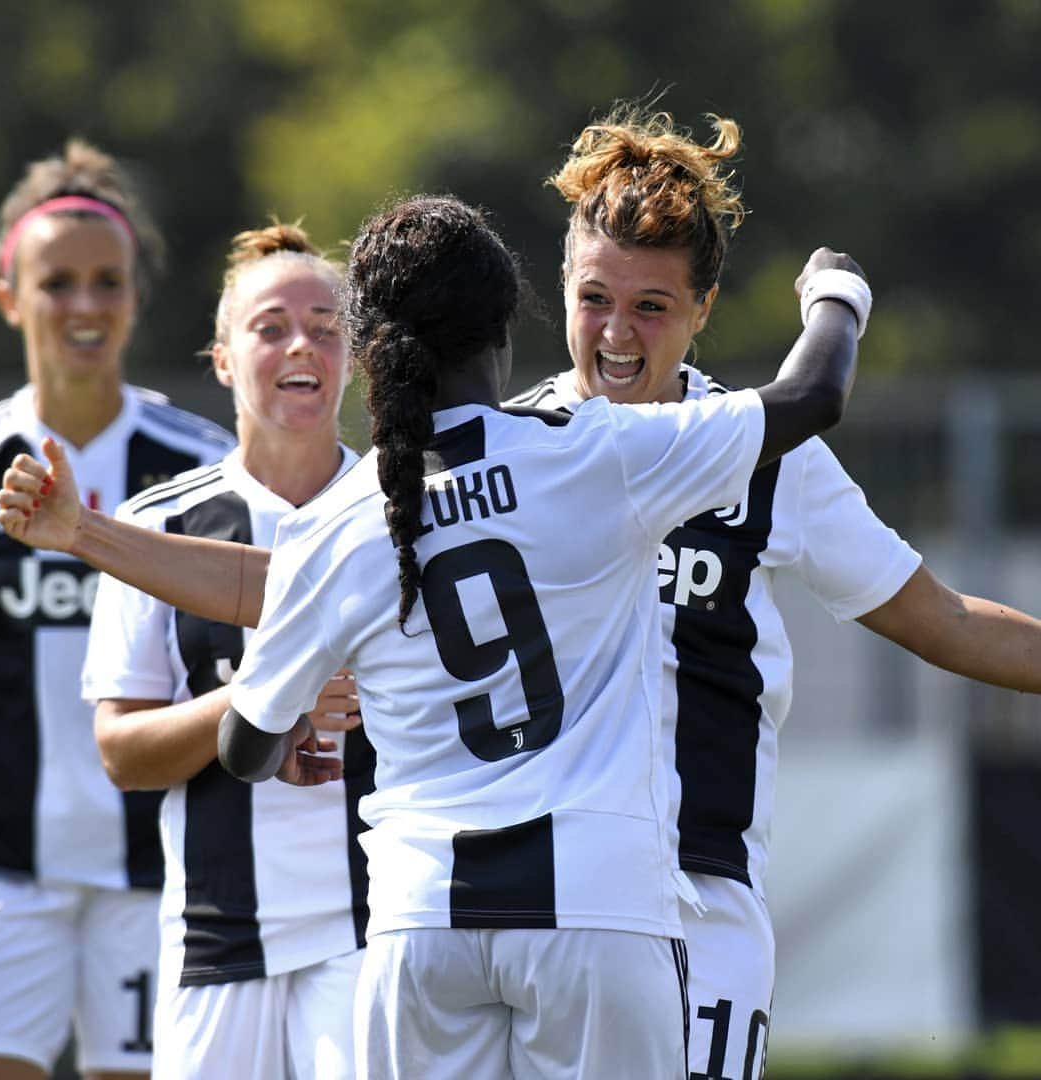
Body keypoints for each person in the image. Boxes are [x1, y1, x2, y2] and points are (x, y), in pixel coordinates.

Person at [215, 193, 865, 1080]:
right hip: (598, 911)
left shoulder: (333, 525)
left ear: (368, 353)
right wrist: (837, 296)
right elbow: (812, 394)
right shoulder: (597, 455)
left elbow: (242, 746)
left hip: (420, 923)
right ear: (504, 333)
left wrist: (289, 731)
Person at [505, 105, 1041, 1079]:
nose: (617, 335)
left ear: (704, 308)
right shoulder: (508, 451)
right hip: (532, 899)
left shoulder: (765, 454)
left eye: (653, 307)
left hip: (695, 896)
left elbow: (943, 619)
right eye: (594, 300)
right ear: (563, 289)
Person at [0, 141, 234, 1080]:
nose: (84, 307)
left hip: (157, 872)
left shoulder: (199, 463)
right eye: (57, 283)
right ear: (9, 295)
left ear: (135, 295)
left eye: (106, 282)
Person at [79, 222, 372, 1080]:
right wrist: (258, 700)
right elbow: (121, 754)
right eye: (271, 325)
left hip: (368, 927)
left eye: (326, 327)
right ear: (220, 356)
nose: (301, 346)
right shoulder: (157, 528)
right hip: (215, 934)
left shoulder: (402, 508)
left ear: (353, 355)